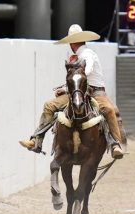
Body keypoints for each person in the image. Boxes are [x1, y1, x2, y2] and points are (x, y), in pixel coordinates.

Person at [19, 24, 125, 159]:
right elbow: (75, 79)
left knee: (109, 110)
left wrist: (81, 76)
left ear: (72, 42)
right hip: (78, 92)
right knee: (50, 105)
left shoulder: (87, 54)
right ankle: (36, 140)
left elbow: (88, 69)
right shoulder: (78, 56)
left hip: (94, 92)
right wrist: (65, 89)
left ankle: (115, 144)